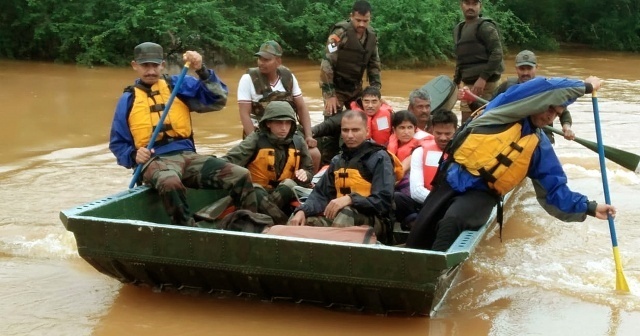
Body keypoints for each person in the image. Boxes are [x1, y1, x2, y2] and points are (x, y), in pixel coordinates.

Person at [405, 76, 617, 251]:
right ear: (538, 103)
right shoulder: (503, 109)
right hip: (451, 179)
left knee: (451, 222)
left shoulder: (538, 146)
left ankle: (436, 273)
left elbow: (554, 191)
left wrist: (590, 207)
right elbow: (546, 87)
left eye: (555, 113)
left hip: (482, 194)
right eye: (548, 108)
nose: (549, 115)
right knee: (420, 235)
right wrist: (585, 86)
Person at [109, 42, 257, 227]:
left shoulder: (178, 85)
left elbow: (218, 100)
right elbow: (118, 143)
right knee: (170, 182)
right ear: (135, 66)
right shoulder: (128, 100)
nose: (150, 71)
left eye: (155, 65)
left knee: (241, 175)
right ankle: (187, 231)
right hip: (154, 161)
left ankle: (249, 224)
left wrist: (201, 70)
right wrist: (133, 155)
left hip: (187, 157)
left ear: (162, 65)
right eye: (145, 65)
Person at [288, 110, 402, 243]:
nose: (350, 135)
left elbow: (383, 202)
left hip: (376, 221)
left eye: (355, 130)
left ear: (366, 131)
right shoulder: (337, 160)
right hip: (341, 219)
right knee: (299, 220)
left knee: (346, 213)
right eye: (345, 130)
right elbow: (320, 195)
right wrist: (303, 211)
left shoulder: (380, 158)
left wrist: (351, 199)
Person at [221, 101, 314, 225]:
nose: (284, 128)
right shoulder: (255, 139)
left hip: (285, 196)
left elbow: (309, 170)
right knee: (255, 190)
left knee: (289, 184)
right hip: (257, 195)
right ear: (268, 123)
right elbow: (230, 160)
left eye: (288, 123)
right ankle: (284, 224)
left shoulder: (298, 141)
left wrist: (306, 174)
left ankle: (266, 222)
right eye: (279, 123)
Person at [237, 40, 321, 172]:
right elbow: (244, 113)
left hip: (287, 129)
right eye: (259, 58)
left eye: (266, 59)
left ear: (278, 61)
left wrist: (308, 136)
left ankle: (306, 186)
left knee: (314, 154)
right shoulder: (248, 79)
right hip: (260, 132)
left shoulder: (288, 77)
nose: (261, 62)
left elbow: (301, 108)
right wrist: (253, 141)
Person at [318, 0, 382, 165]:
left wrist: (375, 92)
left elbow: (374, 65)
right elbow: (326, 64)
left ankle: (359, 160)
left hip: (355, 88)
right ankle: (327, 165)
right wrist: (330, 95)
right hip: (336, 88)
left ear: (370, 19)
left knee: (365, 120)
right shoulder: (339, 34)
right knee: (331, 127)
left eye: (365, 21)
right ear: (351, 16)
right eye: (358, 20)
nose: (361, 24)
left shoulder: (372, 36)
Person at [494, 50, 574, 144]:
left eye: (529, 68)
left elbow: (564, 112)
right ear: (516, 68)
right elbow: (489, 105)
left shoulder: (548, 89)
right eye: (522, 69)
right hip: (512, 137)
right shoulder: (506, 87)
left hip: (541, 137)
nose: (525, 73)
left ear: (536, 68)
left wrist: (567, 128)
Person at [396, 110, 458, 229]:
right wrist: (439, 202)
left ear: (455, 131)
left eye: (448, 133)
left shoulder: (463, 153)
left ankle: (418, 222)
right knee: (397, 198)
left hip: (451, 205)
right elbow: (416, 191)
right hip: (426, 202)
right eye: (438, 133)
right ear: (432, 130)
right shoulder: (419, 152)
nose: (443, 138)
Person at [453, 0, 504, 123]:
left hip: (487, 85)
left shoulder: (486, 27)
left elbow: (497, 54)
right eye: (467, 3)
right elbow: (461, 59)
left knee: (486, 122)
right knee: (466, 123)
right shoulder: (459, 29)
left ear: (480, 6)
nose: (471, 7)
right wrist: (455, 82)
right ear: (461, 5)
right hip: (467, 85)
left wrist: (482, 79)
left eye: (474, 4)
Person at [312, 86, 393, 147]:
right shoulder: (350, 114)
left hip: (381, 152)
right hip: (356, 152)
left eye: (374, 102)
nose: (370, 105)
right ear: (362, 101)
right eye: (366, 101)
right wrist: (310, 133)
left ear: (380, 102)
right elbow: (329, 125)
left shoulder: (390, 115)